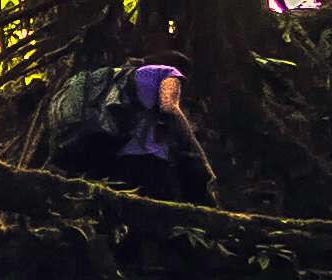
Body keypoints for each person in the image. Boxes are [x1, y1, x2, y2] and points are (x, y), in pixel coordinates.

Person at [33, 59, 215, 202]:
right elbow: (169, 106)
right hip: (145, 157)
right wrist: (193, 144)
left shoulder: (122, 76)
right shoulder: (169, 73)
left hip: (111, 155)